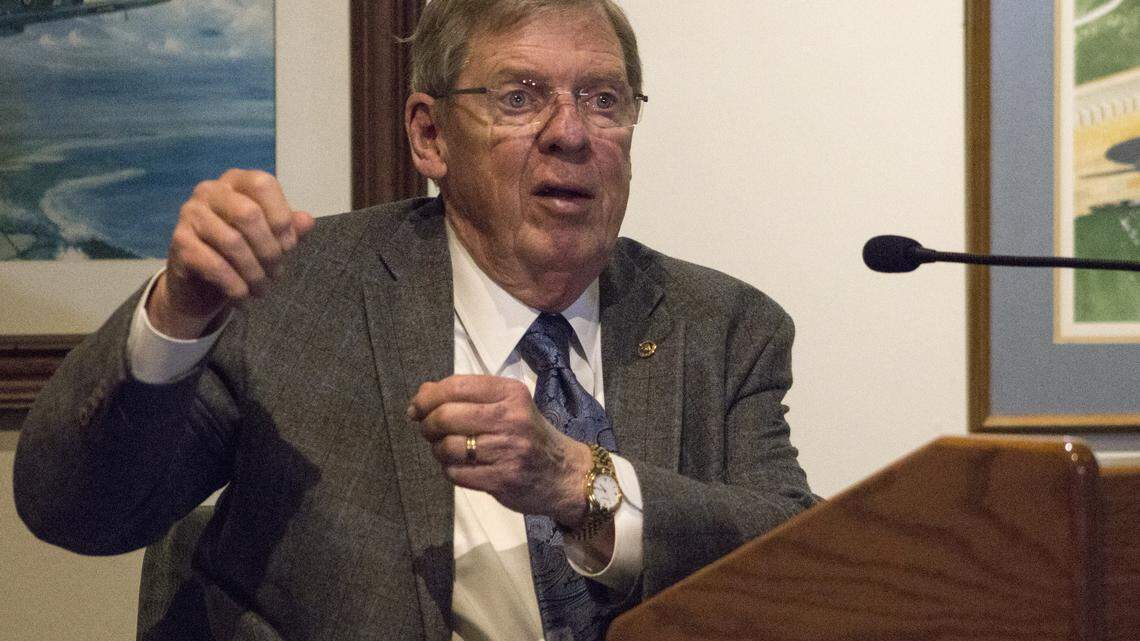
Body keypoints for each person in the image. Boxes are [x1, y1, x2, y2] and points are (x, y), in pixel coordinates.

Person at [14, 1, 816, 640]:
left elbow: (802, 562)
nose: (571, 133)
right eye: (520, 97)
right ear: (430, 135)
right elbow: (80, 511)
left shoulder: (724, 327)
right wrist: (179, 314)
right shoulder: (298, 296)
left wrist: (581, 482)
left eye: (603, 99)